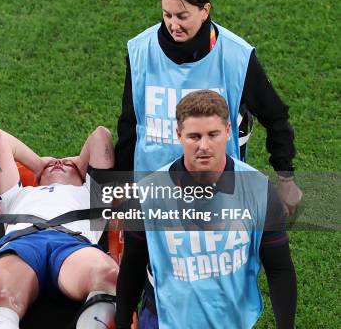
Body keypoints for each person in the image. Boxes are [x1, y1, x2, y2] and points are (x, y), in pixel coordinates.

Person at [115, 0, 302, 215]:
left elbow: (275, 115)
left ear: (205, 11)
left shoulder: (237, 56)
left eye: (182, 16)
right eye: (166, 15)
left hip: (217, 194)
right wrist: (119, 185)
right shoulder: (140, 50)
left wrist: (285, 178)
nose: (173, 24)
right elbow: (130, 122)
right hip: (154, 193)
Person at [115, 90, 296, 329]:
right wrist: (122, 321)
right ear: (179, 135)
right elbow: (133, 265)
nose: (204, 146)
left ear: (228, 131)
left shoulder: (258, 190)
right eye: (194, 136)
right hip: (163, 320)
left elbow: (279, 268)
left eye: (213, 134)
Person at [0, 127, 118, 329]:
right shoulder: (18, 195)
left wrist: (80, 163)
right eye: (52, 164)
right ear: (37, 178)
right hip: (22, 243)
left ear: (83, 175)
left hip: (73, 245)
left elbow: (101, 136)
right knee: (4, 297)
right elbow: (0, 139)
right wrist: (37, 164)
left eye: (65, 163)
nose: (58, 162)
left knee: (108, 277)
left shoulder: (92, 195)